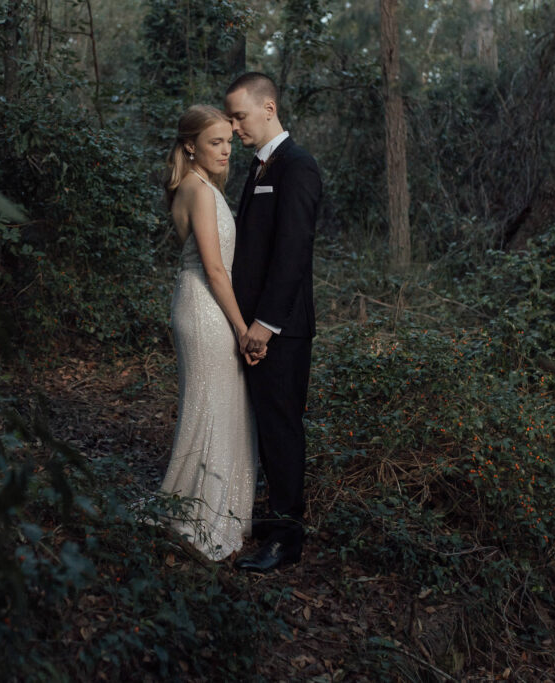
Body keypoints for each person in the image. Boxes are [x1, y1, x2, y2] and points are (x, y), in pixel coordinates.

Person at [225, 73, 323, 571]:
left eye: (239, 116)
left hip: (282, 328)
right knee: (266, 423)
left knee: (282, 427)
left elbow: (292, 252)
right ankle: (276, 515)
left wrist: (263, 324)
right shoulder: (259, 167)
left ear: (268, 108)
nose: (234, 127)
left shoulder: (298, 166)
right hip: (256, 326)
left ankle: (287, 538)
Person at [157, 105, 260, 561]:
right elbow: (216, 270)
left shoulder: (196, 186)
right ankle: (202, 513)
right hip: (206, 307)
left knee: (218, 403)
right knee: (212, 406)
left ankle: (213, 506)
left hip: (201, 302)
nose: (225, 151)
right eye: (215, 142)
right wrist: (242, 329)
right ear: (190, 145)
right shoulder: (198, 191)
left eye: (229, 143)